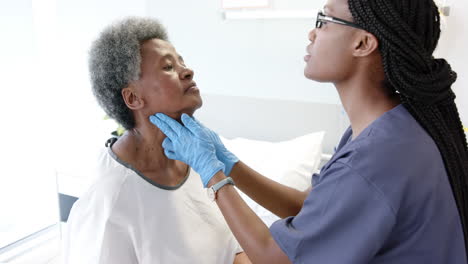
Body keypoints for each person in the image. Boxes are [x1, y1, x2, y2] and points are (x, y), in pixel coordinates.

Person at [150, 0, 468, 262]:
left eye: (324, 20)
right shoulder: (388, 126)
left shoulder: (373, 161)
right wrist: (229, 162)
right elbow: (310, 208)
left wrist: (214, 175)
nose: (312, 34)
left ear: (362, 43)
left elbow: (274, 258)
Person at [63, 17, 249, 264]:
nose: (188, 71)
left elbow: (235, 250)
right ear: (133, 98)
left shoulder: (200, 163)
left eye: (181, 61)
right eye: (168, 67)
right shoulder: (110, 202)